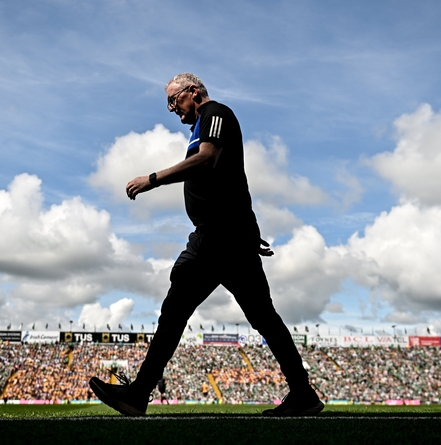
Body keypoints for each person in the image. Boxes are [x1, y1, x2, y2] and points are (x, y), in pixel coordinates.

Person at [89, 72, 323, 417]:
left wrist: (152, 180)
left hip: (216, 237)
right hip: (230, 236)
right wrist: (247, 231)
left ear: (193, 92)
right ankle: (303, 394)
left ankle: (138, 393)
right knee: (264, 318)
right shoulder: (203, 124)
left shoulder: (215, 113)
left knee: (176, 311)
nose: (172, 109)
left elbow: (207, 159)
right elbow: (230, 182)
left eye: (173, 100)